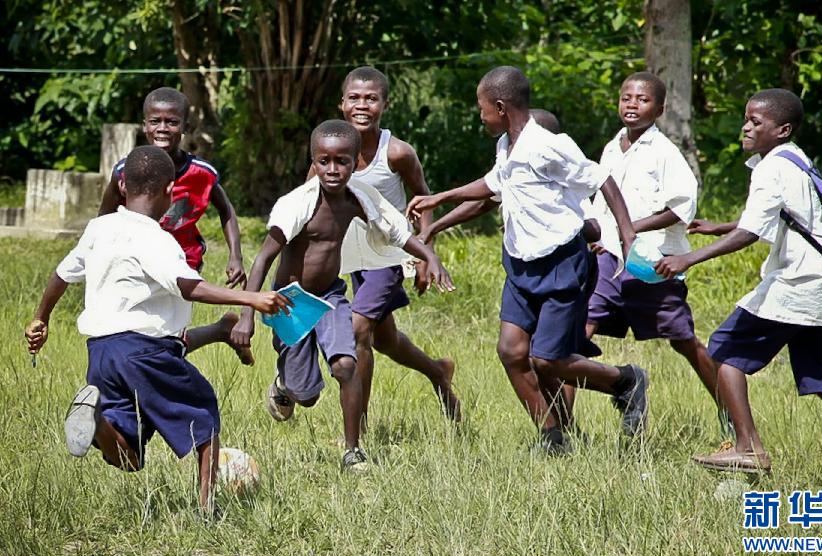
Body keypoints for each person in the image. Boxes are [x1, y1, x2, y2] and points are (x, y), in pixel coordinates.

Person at [24, 146, 290, 512]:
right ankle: (208, 509)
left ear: (121, 185)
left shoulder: (99, 228)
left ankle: (97, 419)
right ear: (170, 191)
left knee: (129, 456)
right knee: (204, 410)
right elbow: (188, 286)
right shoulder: (156, 238)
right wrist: (251, 298)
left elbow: (61, 274)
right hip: (144, 349)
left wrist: (41, 318)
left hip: (100, 353)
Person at [655, 89, 822, 486]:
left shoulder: (770, 168)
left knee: (725, 352)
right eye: (746, 119)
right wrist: (722, 225)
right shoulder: (795, 158)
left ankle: (748, 447)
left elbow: (752, 233)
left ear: (782, 129)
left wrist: (687, 259)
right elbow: (786, 213)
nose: (746, 128)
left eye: (756, 122)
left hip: (795, 284)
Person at [407, 66, 649, 453]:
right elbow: (491, 187)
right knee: (512, 351)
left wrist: (626, 229)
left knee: (547, 360)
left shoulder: (548, 145)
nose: (480, 116)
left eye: (482, 108)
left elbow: (600, 177)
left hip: (561, 263)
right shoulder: (506, 145)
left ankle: (625, 380)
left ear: (501, 107)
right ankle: (553, 436)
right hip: (520, 265)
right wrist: (440, 201)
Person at [231, 119, 454, 471]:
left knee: (346, 365)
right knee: (307, 395)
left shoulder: (358, 199)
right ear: (313, 161)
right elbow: (262, 259)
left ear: (355, 161)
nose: (333, 169)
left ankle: (353, 451)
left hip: (331, 296)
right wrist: (247, 313)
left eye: (342, 161)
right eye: (324, 161)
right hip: (290, 301)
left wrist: (429, 255)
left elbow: (394, 230)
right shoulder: (298, 206)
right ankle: (286, 384)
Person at [585, 72, 731, 439]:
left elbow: (680, 208)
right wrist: (597, 232)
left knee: (682, 339)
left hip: (651, 262)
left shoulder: (664, 152)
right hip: (608, 259)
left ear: (660, 109)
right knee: (578, 332)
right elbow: (600, 201)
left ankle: (731, 412)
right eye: (626, 98)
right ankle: (562, 431)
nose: (632, 105)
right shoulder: (611, 146)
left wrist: (630, 227)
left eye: (642, 99)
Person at [337, 66, 460, 422]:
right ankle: (438, 371)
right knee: (384, 339)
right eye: (355, 98)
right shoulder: (331, 146)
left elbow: (423, 200)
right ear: (342, 103)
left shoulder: (397, 152)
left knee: (358, 329)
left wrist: (424, 252)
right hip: (353, 256)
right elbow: (309, 200)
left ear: (385, 105)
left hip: (391, 254)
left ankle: (354, 430)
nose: (363, 106)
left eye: (371, 99)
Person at [98, 87, 253, 365]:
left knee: (165, 333)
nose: (163, 128)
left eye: (172, 122)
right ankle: (220, 330)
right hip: (134, 262)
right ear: (144, 125)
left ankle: (159, 375)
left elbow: (226, 209)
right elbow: (104, 216)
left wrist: (235, 255)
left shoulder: (201, 173)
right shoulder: (127, 170)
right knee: (143, 330)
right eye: (155, 121)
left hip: (183, 261)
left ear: (186, 127)